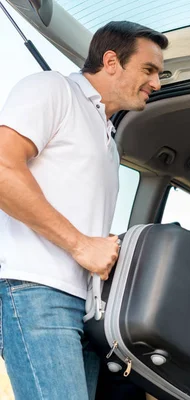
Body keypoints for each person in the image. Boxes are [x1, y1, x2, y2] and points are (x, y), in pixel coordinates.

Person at [0, 21, 168, 400]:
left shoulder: (108, 138)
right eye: (149, 69)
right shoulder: (52, 89)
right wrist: (80, 244)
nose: (157, 83)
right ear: (111, 61)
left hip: (87, 307)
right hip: (36, 291)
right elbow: (2, 167)